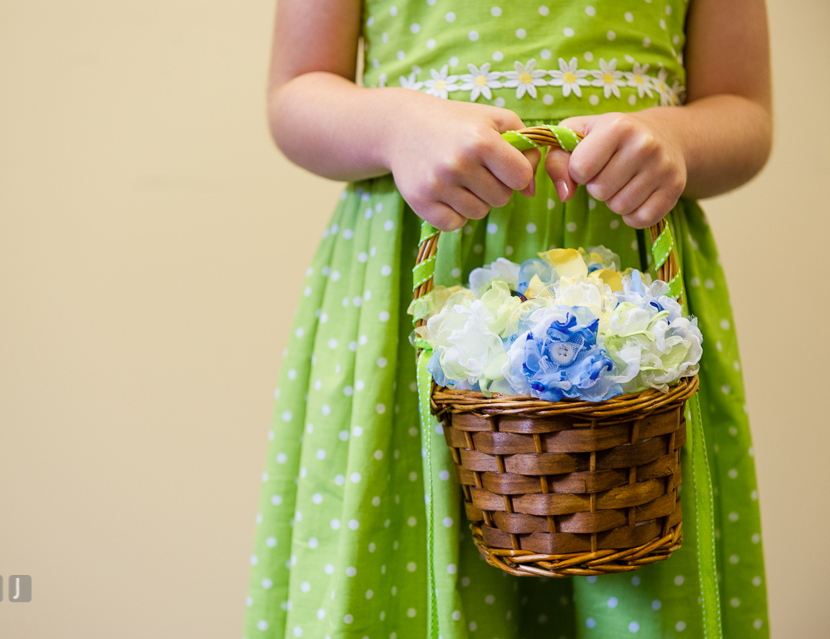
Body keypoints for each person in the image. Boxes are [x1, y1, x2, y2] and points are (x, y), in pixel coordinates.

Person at [245, 1, 772, 637]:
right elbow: (296, 93)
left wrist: (676, 140)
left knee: (628, 534)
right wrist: (398, 126)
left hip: (624, 290)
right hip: (425, 270)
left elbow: (743, 108)